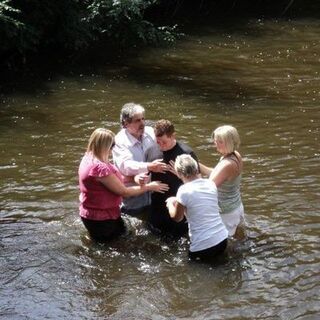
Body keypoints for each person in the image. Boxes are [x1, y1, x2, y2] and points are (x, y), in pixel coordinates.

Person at [78, 128, 169, 242]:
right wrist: (149, 187)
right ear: (104, 146)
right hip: (101, 218)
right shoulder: (99, 168)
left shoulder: (88, 157)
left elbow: (112, 179)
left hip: (96, 213)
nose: (113, 149)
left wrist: (135, 178)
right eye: (112, 146)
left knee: (122, 237)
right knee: (114, 247)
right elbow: (124, 192)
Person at [166, 154, 228, 262]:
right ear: (196, 168)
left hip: (202, 246)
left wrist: (170, 204)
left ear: (179, 174)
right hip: (222, 239)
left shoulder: (183, 191)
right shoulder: (210, 184)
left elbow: (177, 218)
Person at [112, 103, 168, 217]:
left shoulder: (150, 132)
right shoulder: (119, 141)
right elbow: (125, 166)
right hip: (133, 199)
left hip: (154, 192)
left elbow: (165, 148)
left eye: (143, 119)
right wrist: (149, 166)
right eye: (137, 120)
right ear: (125, 124)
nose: (142, 123)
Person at [145, 119, 198, 237]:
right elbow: (143, 175)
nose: (161, 146)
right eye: (158, 142)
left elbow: (198, 183)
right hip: (157, 208)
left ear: (173, 136)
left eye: (164, 142)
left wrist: (180, 175)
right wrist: (142, 177)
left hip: (179, 208)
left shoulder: (186, 154)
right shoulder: (150, 151)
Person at [199, 125, 246, 239]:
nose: (215, 144)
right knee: (238, 238)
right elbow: (216, 173)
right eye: (215, 141)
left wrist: (189, 179)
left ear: (229, 143)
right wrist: (196, 164)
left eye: (220, 142)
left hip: (226, 212)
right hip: (236, 206)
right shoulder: (235, 155)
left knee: (226, 242)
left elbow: (208, 188)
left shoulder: (227, 164)